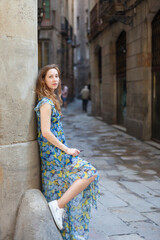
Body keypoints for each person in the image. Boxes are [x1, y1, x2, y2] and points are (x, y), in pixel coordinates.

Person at [34, 64, 99, 240]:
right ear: (43, 80)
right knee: (90, 172)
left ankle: (61, 212)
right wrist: (66, 149)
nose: (55, 80)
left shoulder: (51, 100)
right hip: (54, 155)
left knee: (65, 186)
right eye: (50, 76)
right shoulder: (46, 103)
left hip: (56, 153)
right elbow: (46, 132)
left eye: (56, 76)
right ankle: (58, 205)